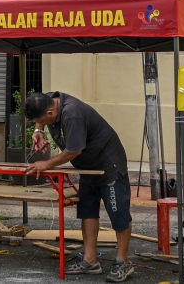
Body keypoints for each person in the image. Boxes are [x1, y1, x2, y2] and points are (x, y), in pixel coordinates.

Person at [24, 91, 134, 282]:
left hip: (108, 166)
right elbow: (40, 115)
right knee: (87, 211)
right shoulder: (48, 99)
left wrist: (47, 164)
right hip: (87, 168)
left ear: (51, 112)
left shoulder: (72, 113)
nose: (41, 122)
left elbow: (74, 150)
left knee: (119, 214)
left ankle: (123, 261)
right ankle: (90, 261)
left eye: (42, 120)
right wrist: (38, 131)